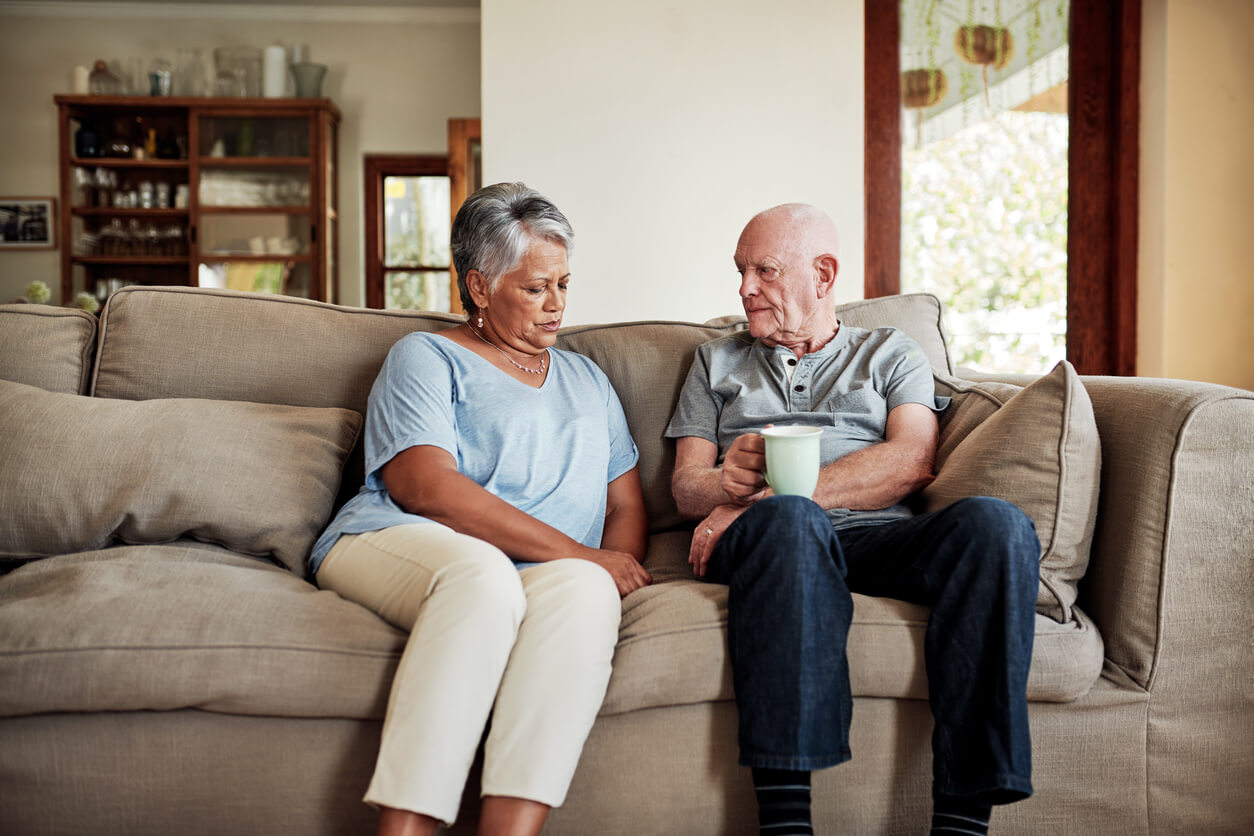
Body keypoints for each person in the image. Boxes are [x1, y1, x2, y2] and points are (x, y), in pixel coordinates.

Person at [665, 203, 1039, 836]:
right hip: (770, 543)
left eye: (764, 271)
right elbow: (684, 486)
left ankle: (961, 825)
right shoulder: (715, 362)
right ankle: (787, 826)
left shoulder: (891, 352)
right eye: (740, 271)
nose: (744, 288)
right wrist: (724, 484)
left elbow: (911, 461)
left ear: (824, 273)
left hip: (874, 534)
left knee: (997, 527)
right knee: (790, 526)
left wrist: (768, 498)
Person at [311, 182, 651, 836]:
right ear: (479, 286)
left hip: (541, 571)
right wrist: (583, 553)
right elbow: (424, 487)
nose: (556, 307)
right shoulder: (426, 358)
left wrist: (606, 567)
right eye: (534, 288)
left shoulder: (589, 381)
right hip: (396, 539)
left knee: (585, 590)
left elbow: (625, 502)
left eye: (563, 285)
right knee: (485, 578)